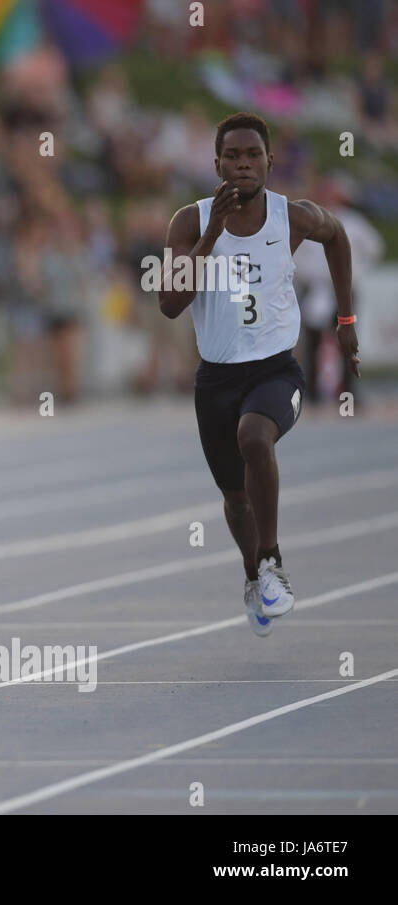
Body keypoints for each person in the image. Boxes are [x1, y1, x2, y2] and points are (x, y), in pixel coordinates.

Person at [159, 112, 360, 637]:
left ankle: (271, 559)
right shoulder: (189, 221)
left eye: (252, 156)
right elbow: (169, 304)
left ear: (270, 162)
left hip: (276, 371)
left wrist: (345, 320)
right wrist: (211, 237)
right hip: (216, 380)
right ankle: (254, 576)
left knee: (256, 437)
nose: (243, 165)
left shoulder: (291, 217)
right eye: (232, 157)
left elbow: (337, 238)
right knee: (234, 498)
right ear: (217, 164)